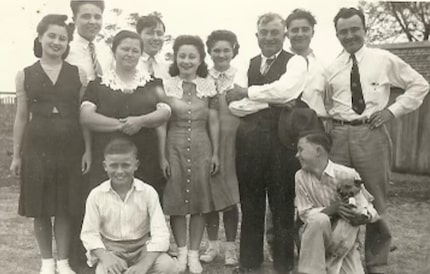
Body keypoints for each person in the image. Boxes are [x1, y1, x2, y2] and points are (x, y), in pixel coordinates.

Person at [325, 7, 429, 274]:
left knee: (374, 199)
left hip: (370, 133)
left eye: (354, 29)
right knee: (342, 199)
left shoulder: (383, 59)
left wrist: (391, 111)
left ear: (364, 29)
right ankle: (345, 259)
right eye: (343, 31)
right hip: (338, 135)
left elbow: (419, 85)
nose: (349, 36)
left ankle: (377, 262)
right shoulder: (331, 67)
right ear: (336, 35)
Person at [225, 13, 307, 273]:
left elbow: (286, 90)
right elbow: (233, 105)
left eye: (275, 32)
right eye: (264, 32)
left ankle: (283, 266)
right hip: (249, 145)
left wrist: (250, 94)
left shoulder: (296, 62)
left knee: (282, 207)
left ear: (284, 35)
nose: (269, 37)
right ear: (257, 35)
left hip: (283, 145)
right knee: (250, 206)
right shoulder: (246, 65)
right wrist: (273, 101)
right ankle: (249, 264)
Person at [9, 14, 89, 274]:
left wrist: (88, 149)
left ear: (67, 43)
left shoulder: (79, 73)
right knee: (39, 206)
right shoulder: (25, 74)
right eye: (51, 36)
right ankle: (46, 262)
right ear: (40, 38)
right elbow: (21, 117)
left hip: (70, 145)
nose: (56, 42)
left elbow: (83, 115)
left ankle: (64, 261)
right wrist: (17, 155)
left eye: (62, 38)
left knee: (65, 206)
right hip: (37, 145)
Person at [157, 35, 220, 274]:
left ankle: (194, 254)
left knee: (199, 202)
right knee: (175, 201)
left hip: (202, 147)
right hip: (174, 145)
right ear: (175, 57)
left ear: (201, 59)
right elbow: (161, 123)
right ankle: (181, 252)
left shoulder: (208, 85)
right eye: (182, 55)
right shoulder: (166, 84)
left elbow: (213, 122)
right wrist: (162, 155)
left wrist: (215, 153)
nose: (186, 60)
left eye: (192, 56)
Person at [80, 30, 171, 193]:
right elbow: (86, 117)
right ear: (114, 51)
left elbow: (164, 112)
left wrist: (140, 121)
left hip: (144, 156)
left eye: (135, 50)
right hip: (107, 156)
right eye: (125, 49)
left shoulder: (152, 83)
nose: (130, 54)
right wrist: (122, 125)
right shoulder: (98, 84)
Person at [80, 137, 178, 274]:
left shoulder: (148, 192)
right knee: (104, 272)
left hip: (143, 248)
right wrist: (106, 258)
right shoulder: (96, 195)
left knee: (168, 267)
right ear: (105, 166)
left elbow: (161, 234)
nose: (120, 171)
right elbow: (89, 234)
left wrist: (144, 265)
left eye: (126, 165)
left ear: (136, 165)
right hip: (112, 250)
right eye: (114, 165)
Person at [295, 131, 376, 274]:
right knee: (318, 219)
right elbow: (304, 214)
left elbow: (369, 209)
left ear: (318, 151)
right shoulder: (300, 176)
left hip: (342, 243)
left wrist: (361, 217)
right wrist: (333, 209)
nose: (297, 155)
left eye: (300, 149)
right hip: (314, 240)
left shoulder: (347, 174)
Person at [199, 30, 241, 266]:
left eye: (226, 49)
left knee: (230, 195)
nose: (221, 54)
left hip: (235, 140)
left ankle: (231, 248)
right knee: (210, 194)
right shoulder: (203, 76)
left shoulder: (241, 74)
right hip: (209, 139)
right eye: (216, 50)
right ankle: (213, 245)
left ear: (234, 50)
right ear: (210, 52)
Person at [67, 0, 112, 81]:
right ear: (74, 19)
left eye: (97, 17)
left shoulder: (106, 50)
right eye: (86, 16)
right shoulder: (66, 50)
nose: (92, 22)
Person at [136, 14, 170, 80]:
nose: (155, 38)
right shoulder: (128, 64)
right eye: (150, 33)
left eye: (159, 34)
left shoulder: (167, 67)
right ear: (138, 36)